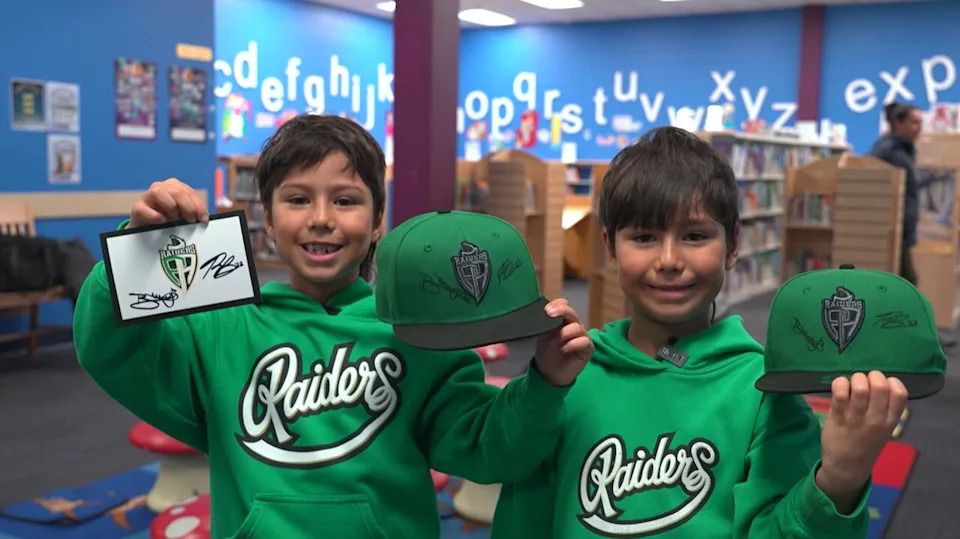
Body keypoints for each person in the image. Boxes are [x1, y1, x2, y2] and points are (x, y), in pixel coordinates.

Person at [73, 114, 592, 538]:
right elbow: (108, 350)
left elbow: (487, 448)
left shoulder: (418, 331)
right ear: (269, 221)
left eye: (345, 200)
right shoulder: (220, 327)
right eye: (298, 200)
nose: (321, 218)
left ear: (376, 221)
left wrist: (545, 384)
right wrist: (139, 253)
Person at [492, 127, 908, 538]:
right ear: (610, 248)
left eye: (694, 236)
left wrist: (839, 478)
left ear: (732, 247)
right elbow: (522, 508)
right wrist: (542, 388)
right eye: (643, 237)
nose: (669, 259)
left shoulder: (764, 393)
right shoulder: (566, 376)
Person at [871, 102, 923, 285]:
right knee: (907, 283)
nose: (919, 129)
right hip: (891, 231)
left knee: (905, 282)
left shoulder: (903, 151)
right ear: (898, 123)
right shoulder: (890, 152)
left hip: (901, 230)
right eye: (914, 123)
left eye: (920, 124)